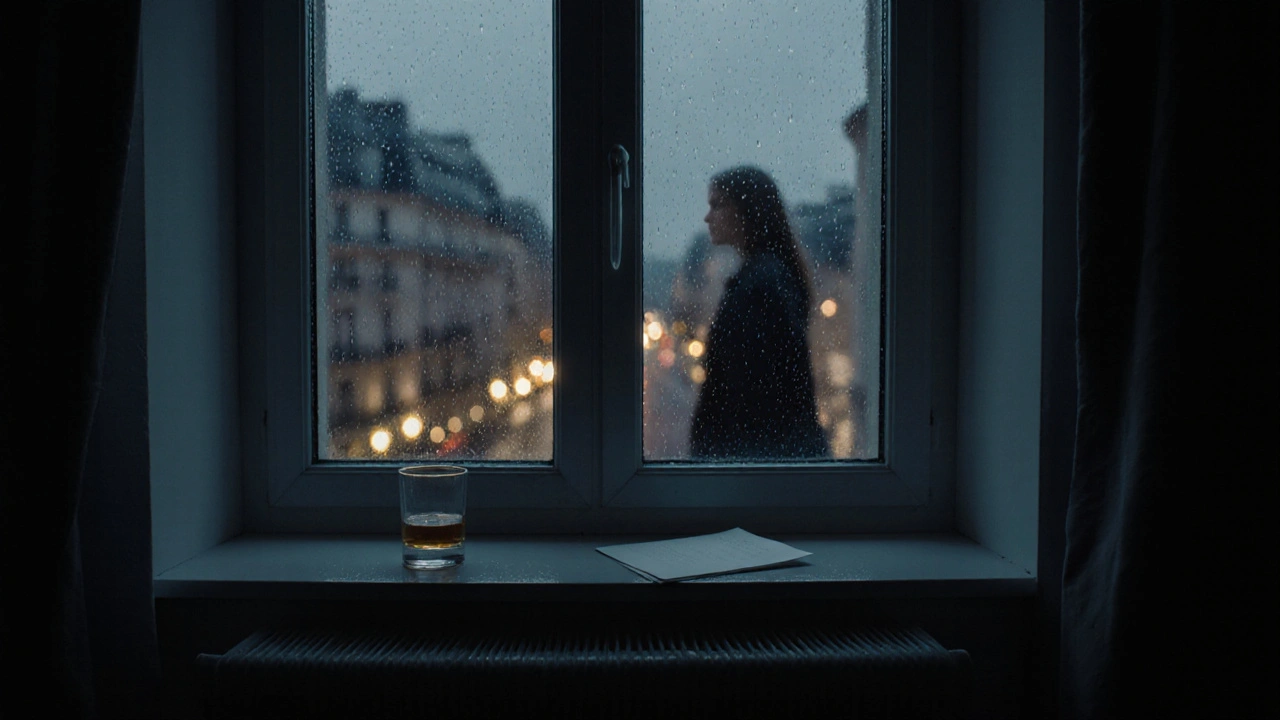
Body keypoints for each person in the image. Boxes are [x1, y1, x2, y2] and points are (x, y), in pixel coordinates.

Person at [689, 166, 829, 459]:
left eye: (718, 205)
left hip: (754, 469)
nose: (707, 217)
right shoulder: (767, 278)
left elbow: (753, 395)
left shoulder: (761, 286)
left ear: (747, 211)